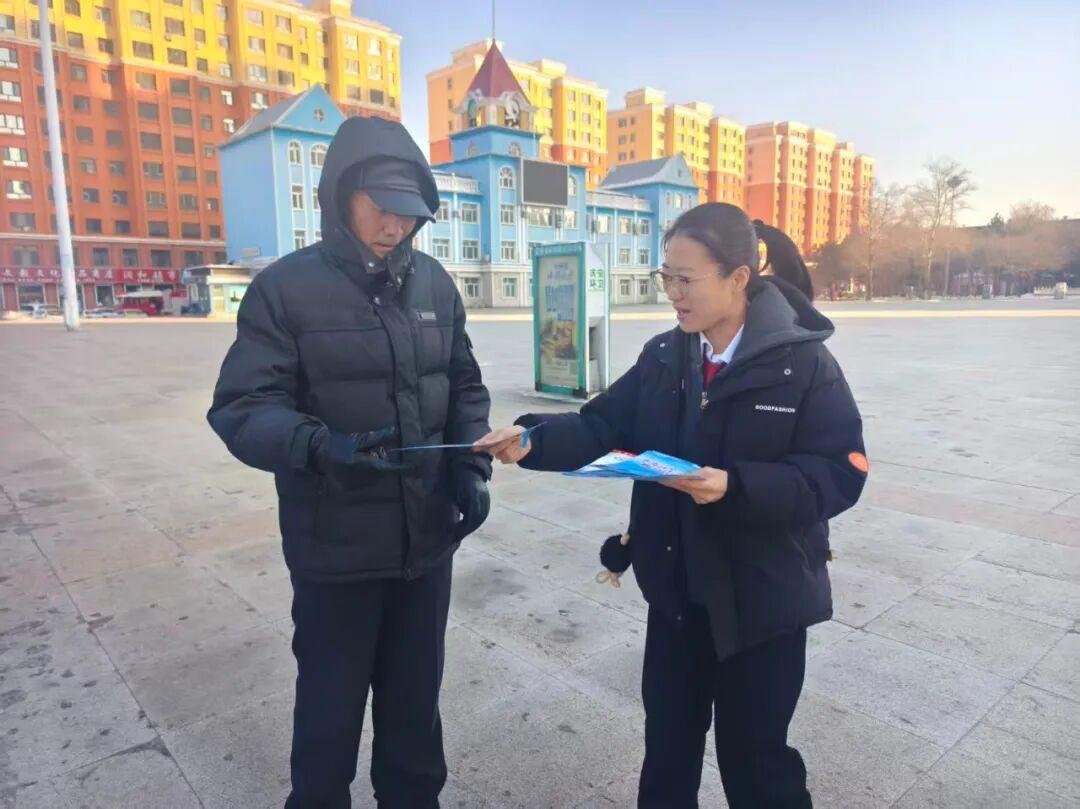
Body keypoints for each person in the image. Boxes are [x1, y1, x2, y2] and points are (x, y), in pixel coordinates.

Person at [478, 203, 867, 808]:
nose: (673, 294)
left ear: (739, 278)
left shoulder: (803, 364)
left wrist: (736, 487)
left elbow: (840, 472)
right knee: (667, 749)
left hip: (762, 602)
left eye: (687, 279)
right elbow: (602, 424)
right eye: (667, 277)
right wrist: (532, 440)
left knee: (757, 763)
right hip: (678, 596)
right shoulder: (665, 355)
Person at [207, 116, 493, 809]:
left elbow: (464, 385)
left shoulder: (434, 284)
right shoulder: (285, 289)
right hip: (335, 551)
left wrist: (469, 465)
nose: (396, 225)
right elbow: (243, 406)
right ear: (342, 195)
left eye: (409, 212)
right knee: (329, 716)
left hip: (424, 548)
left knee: (415, 712)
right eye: (381, 207)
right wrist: (320, 446)